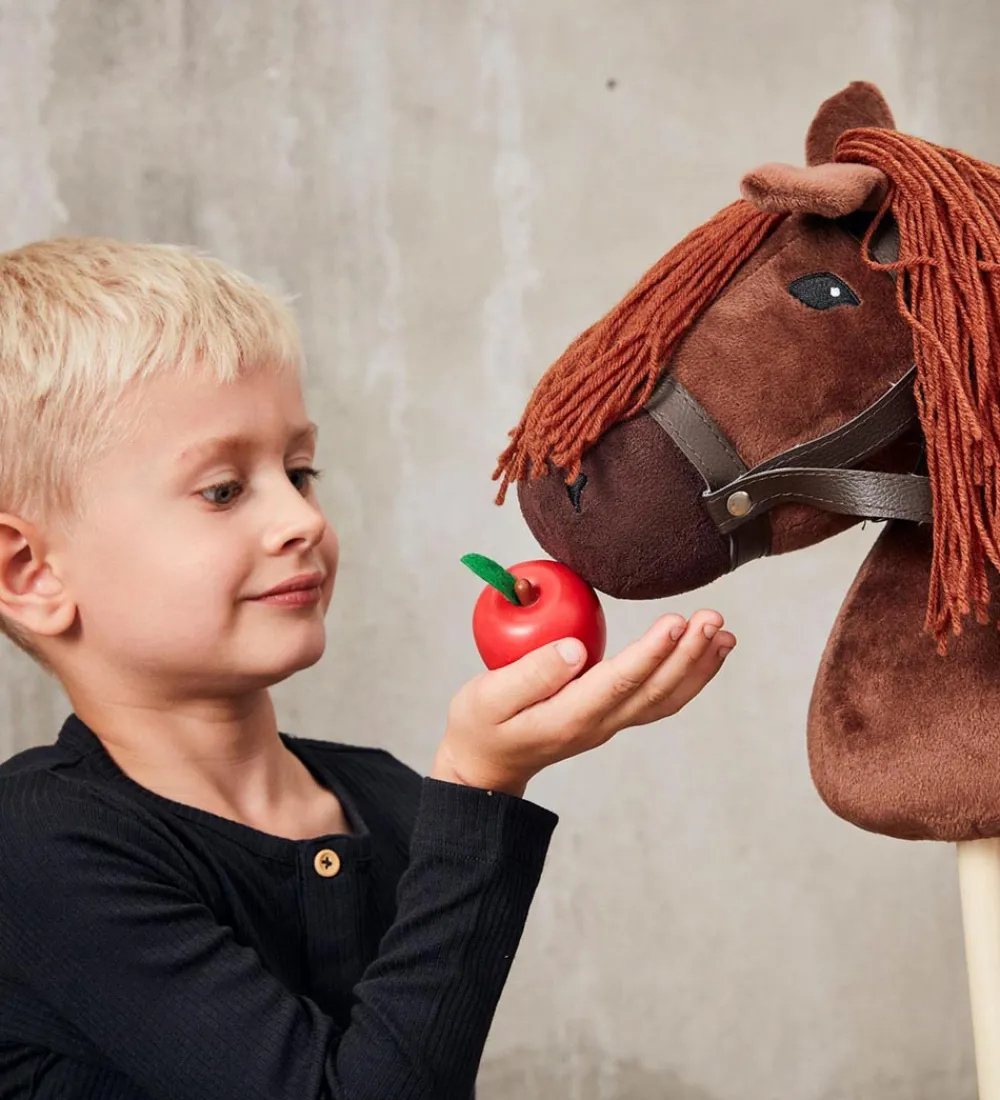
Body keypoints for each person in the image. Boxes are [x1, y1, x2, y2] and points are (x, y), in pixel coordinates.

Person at [0, 236, 736, 1100]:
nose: (301, 520)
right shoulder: (33, 847)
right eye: (223, 490)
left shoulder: (387, 801)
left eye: (299, 471)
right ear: (31, 574)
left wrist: (470, 799)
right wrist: (481, 793)